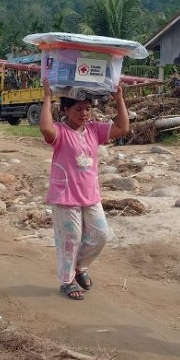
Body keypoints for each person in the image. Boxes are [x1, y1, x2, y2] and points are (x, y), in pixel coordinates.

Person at [38, 80, 129, 300]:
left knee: (100, 234)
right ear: (66, 110)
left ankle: (80, 267)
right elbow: (45, 128)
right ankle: (67, 280)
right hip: (65, 195)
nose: (84, 113)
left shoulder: (94, 130)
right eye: (78, 109)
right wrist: (48, 97)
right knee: (70, 239)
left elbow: (123, 128)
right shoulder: (60, 131)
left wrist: (119, 99)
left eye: (87, 109)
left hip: (90, 195)